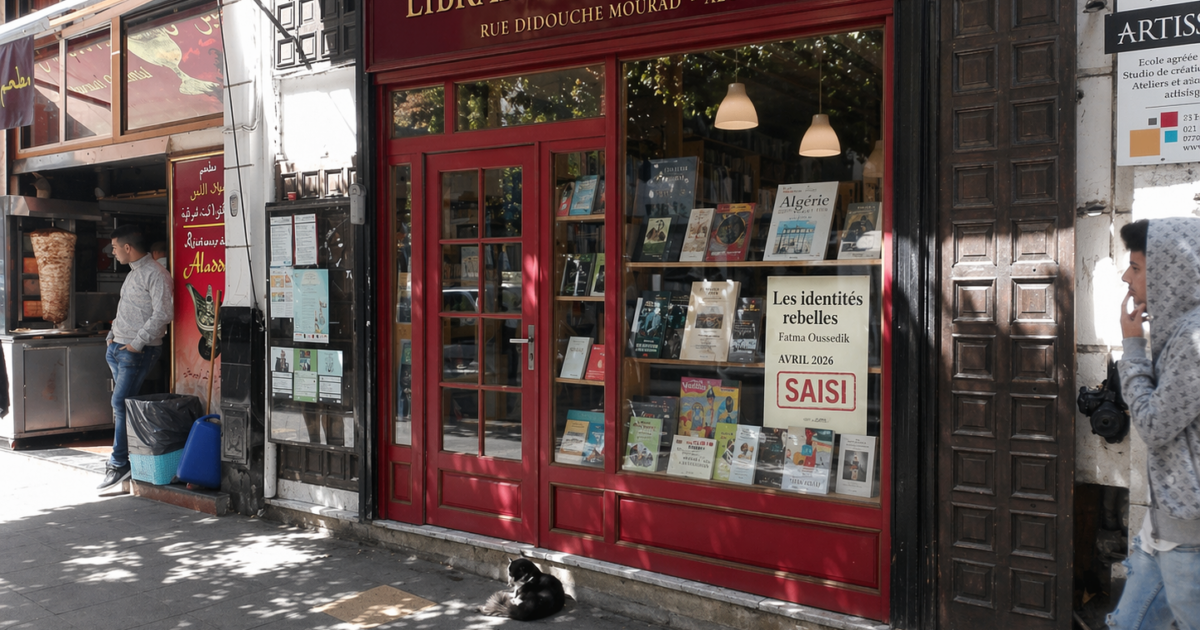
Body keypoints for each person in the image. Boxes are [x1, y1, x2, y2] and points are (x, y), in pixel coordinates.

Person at [1108, 218, 1200, 630]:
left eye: (1138, 268)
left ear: (1170, 273)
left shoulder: (1194, 340)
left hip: (1188, 537)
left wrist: (1131, 348)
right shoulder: (1178, 332)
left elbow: (1153, 426)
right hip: (1164, 526)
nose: (1127, 277)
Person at [98, 225, 173, 491]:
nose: (114, 252)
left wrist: (136, 344)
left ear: (128, 247)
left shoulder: (156, 274)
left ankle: (119, 464)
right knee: (122, 406)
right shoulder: (133, 274)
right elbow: (126, 309)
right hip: (118, 348)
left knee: (119, 402)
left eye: (116, 247)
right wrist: (112, 336)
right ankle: (129, 460)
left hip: (136, 351)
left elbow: (164, 313)